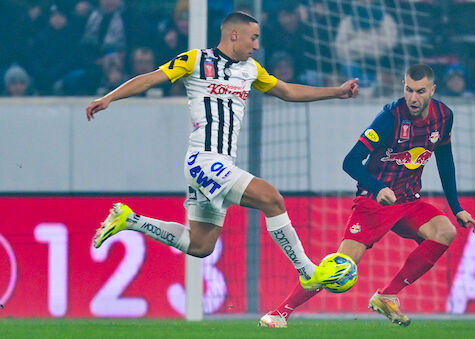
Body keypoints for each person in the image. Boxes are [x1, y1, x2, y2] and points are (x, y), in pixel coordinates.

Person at [86, 12, 359, 293]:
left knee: (200, 245)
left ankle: (129, 219)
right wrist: (109, 97)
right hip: (204, 160)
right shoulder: (194, 60)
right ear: (234, 35)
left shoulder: (252, 69)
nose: (255, 46)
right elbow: (149, 79)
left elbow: (287, 91)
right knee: (272, 199)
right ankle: (307, 272)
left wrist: (336, 92)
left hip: (218, 164)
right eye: (253, 38)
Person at [259, 64, 475, 328]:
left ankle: (387, 295)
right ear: (403, 86)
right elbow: (350, 162)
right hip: (374, 202)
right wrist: (377, 188)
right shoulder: (390, 117)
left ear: (433, 90)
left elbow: (445, 158)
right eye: (408, 89)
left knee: (445, 231)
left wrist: (456, 207)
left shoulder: (444, 116)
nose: (413, 98)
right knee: (341, 266)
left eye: (420, 91)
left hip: (408, 200)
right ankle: (280, 313)